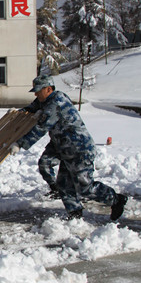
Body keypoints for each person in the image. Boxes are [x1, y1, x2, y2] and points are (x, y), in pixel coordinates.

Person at [11, 75, 127, 221]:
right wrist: (21, 112)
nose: (36, 94)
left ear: (48, 89)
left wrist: (20, 143)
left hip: (79, 148)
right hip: (64, 148)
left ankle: (116, 199)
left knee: (85, 187)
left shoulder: (56, 103)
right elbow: (34, 106)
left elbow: (42, 127)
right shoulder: (47, 100)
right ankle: (75, 213)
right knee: (64, 185)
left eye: (38, 91)